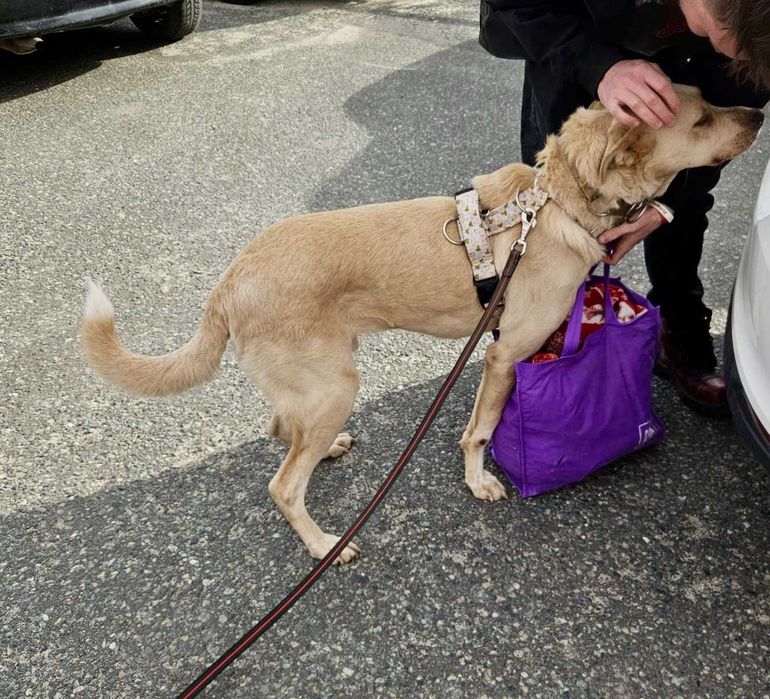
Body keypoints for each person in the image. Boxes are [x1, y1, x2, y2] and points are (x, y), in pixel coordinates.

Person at [479, 0, 770, 416]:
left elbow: (715, 139)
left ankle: (678, 327)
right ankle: (538, 344)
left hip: (690, 50)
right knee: (556, 206)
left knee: (686, 200)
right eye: (741, 44)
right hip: (580, 38)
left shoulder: (750, 37)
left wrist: (665, 205)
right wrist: (599, 66)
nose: (742, 58)